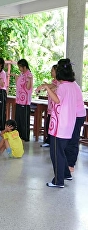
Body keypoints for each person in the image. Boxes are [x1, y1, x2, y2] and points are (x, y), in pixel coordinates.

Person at [37, 59, 80, 188]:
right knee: (61, 151)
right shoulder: (73, 85)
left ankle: (58, 181)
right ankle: (66, 174)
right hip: (68, 124)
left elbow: (57, 100)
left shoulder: (63, 86)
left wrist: (46, 88)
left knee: (56, 153)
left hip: (60, 125)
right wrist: (48, 87)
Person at [15, 59, 33, 141]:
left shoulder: (29, 75)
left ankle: (25, 136)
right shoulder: (22, 74)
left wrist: (29, 80)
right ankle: (19, 135)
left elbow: (28, 88)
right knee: (18, 118)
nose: (19, 68)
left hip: (25, 101)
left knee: (24, 120)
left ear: (24, 66)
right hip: (19, 99)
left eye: (20, 67)